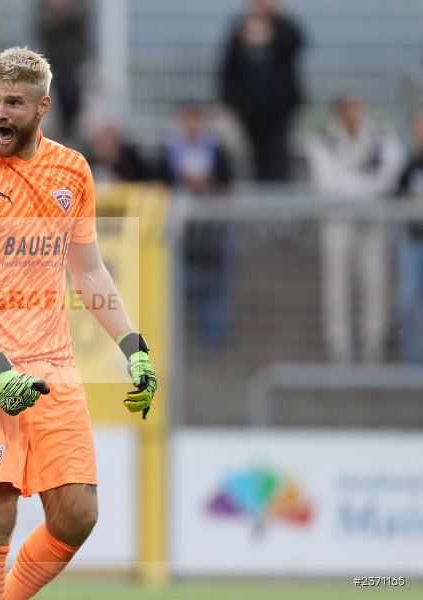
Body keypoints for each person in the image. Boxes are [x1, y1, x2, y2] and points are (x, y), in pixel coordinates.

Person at [0, 47, 158, 600]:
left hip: (53, 363)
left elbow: (90, 272)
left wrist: (133, 345)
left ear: (42, 107)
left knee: (77, 514)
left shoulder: (72, 171)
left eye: (14, 103)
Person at [307, 93, 404, 363]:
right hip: (337, 224)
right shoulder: (321, 139)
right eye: (349, 107)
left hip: (372, 223)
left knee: (375, 282)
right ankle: (340, 346)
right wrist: (365, 186)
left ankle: (373, 344)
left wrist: (356, 186)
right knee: (336, 285)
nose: (355, 112)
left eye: (358, 106)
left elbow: (389, 176)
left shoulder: (381, 135)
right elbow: (327, 184)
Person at [158, 102, 233, 346]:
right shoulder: (168, 150)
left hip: (212, 230)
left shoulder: (217, 149)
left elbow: (226, 183)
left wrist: (207, 185)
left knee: (214, 282)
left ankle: (212, 338)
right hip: (181, 229)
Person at [219, 0, 303, 182]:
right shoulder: (240, 28)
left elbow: (297, 43)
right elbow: (228, 68)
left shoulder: (282, 27)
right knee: (256, 155)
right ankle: (260, 197)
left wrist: (277, 19)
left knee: (277, 152)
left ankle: (278, 197)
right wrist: (227, 101)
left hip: (279, 108)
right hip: (250, 108)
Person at [36, 0, 88, 141]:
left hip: (75, 68)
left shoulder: (79, 11)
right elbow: (42, 28)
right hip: (50, 69)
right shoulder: (42, 12)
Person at [394, 109, 423, 363]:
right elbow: (395, 193)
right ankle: (412, 363)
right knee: (407, 302)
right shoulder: (410, 163)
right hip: (414, 241)